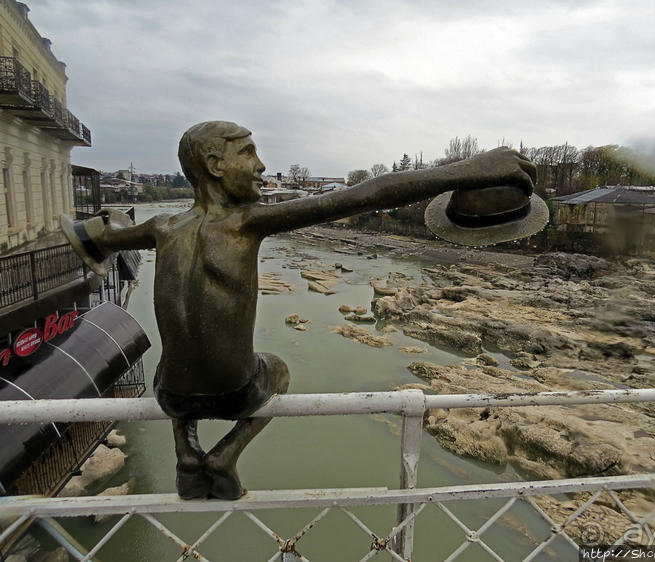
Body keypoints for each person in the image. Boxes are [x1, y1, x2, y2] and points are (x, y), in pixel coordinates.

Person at [65, 121, 537, 499]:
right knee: (279, 370)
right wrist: (471, 168)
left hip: (173, 396)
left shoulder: (163, 225)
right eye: (247, 152)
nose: (260, 164)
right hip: (236, 394)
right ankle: (226, 453)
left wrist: (106, 226)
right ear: (213, 164)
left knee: (172, 364)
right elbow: (370, 193)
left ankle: (186, 449)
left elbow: (103, 238)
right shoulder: (247, 222)